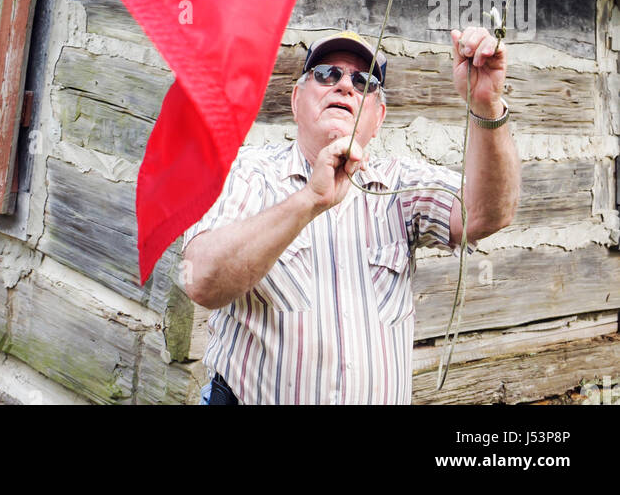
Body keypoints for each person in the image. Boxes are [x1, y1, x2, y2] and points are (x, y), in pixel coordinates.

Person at [182, 27, 520, 405]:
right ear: (296, 100)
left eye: (364, 81)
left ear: (379, 118)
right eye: (327, 74)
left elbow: (488, 213)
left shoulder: (400, 185)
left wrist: (486, 104)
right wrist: (309, 199)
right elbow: (201, 282)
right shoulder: (247, 172)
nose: (345, 85)